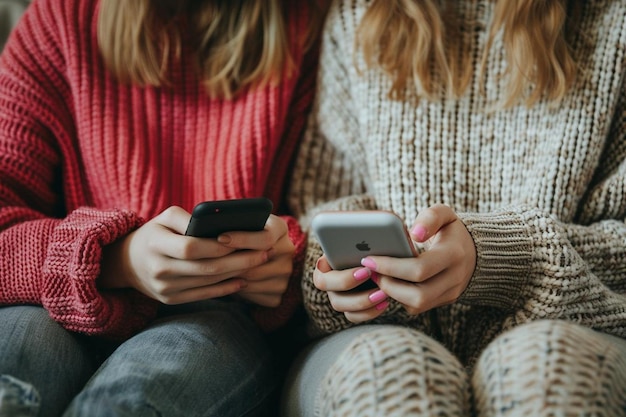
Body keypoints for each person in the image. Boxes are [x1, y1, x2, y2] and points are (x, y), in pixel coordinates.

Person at [282, 0, 626, 415]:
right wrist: (338, 279)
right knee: (389, 377)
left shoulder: (612, 21)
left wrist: (506, 257)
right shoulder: (359, 15)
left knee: (545, 368)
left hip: (577, 328)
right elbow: (321, 209)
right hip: (375, 334)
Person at [0, 0, 324, 415]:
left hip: (221, 316)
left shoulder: (304, 29)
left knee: (131, 403)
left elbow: (329, 214)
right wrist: (116, 260)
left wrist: (287, 264)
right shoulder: (58, 23)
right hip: (53, 307)